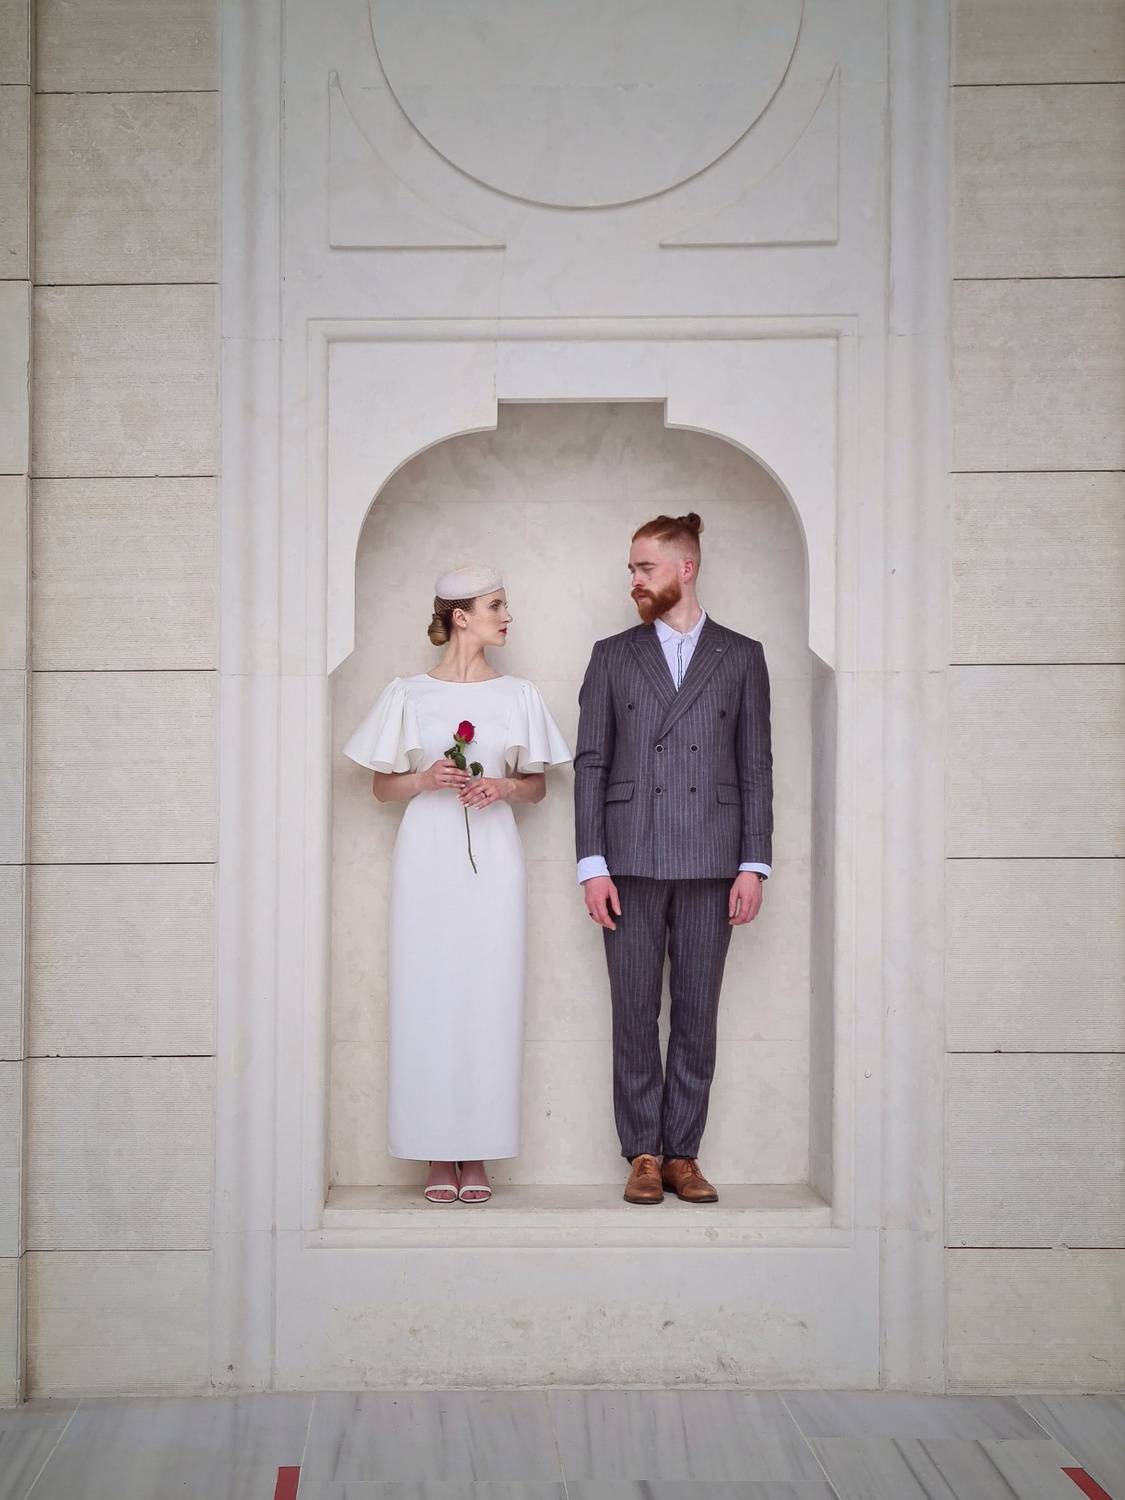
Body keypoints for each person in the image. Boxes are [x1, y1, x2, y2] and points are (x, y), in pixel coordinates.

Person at [342, 564, 572, 1203]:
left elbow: (538, 786)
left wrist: (502, 786)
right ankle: (435, 1153)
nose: (508, 616)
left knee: (489, 994)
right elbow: (381, 787)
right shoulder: (407, 694)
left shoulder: (518, 695)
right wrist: (424, 779)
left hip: (494, 858)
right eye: (497, 605)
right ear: (461, 616)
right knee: (428, 995)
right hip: (426, 859)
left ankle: (479, 1153)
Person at [573, 513, 773, 1206]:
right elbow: (591, 764)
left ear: (685, 569)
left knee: (696, 1011)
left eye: (644, 567)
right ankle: (642, 1153)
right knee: (632, 1011)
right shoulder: (611, 654)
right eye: (632, 568)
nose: (633, 579)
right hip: (628, 859)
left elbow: (755, 766)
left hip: (713, 859)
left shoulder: (741, 655)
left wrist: (754, 863)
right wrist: (591, 864)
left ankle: (683, 1153)